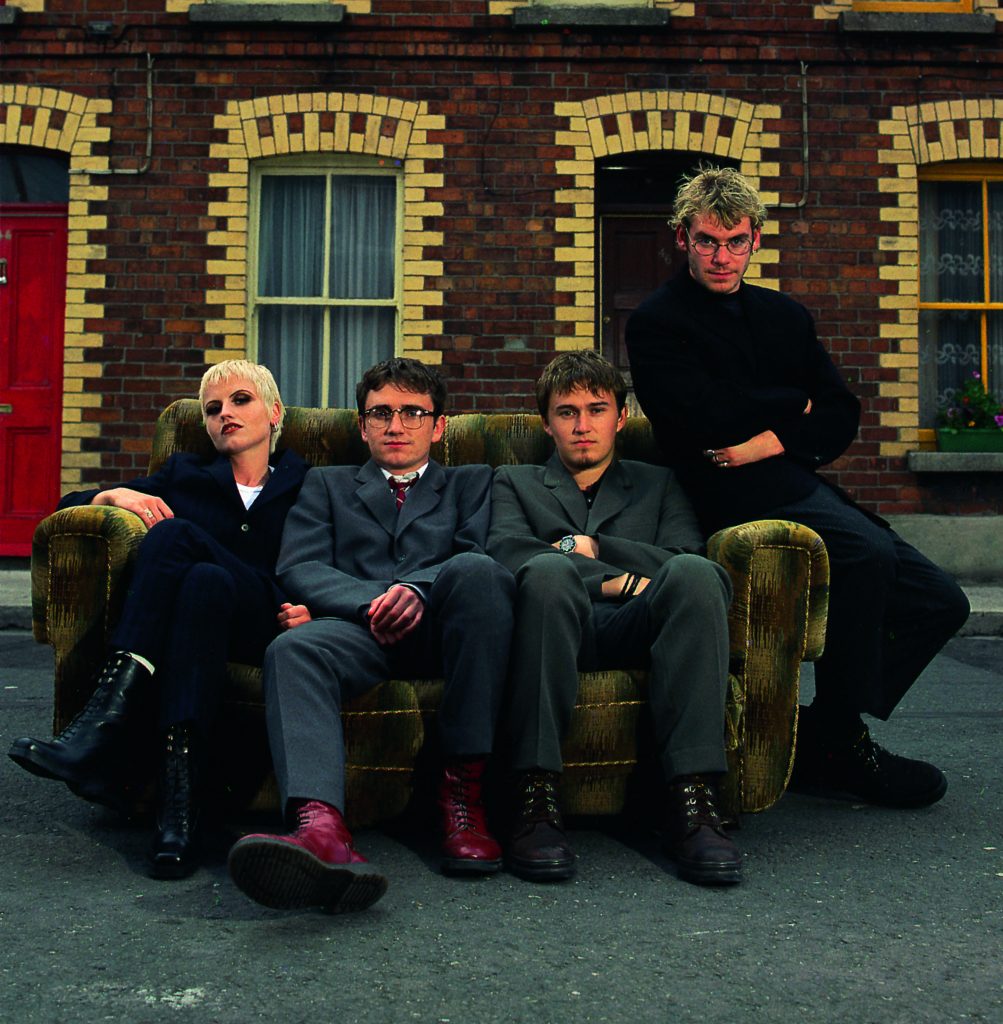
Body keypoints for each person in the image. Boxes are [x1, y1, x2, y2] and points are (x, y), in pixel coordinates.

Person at [625, 165, 970, 810]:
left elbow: (840, 413)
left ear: (755, 240)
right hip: (726, 495)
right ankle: (843, 743)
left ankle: (823, 732)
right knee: (866, 553)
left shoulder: (784, 315)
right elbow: (700, 419)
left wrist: (769, 438)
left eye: (735, 242)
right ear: (682, 239)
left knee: (943, 601)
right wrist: (793, 405)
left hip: (792, 478)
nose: (721, 257)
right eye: (707, 241)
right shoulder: (655, 322)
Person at [226, 357, 515, 914]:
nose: (395, 425)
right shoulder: (327, 484)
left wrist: (419, 590)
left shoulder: (474, 482)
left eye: (413, 413)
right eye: (380, 413)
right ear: (362, 426)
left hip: (446, 633)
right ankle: (320, 828)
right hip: (360, 632)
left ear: (439, 426)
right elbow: (300, 566)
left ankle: (463, 794)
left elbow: (485, 556)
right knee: (293, 646)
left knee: (480, 573)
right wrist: (371, 603)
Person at [8, 360, 310, 878]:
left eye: (240, 400)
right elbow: (66, 506)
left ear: (275, 412)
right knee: (203, 583)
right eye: (213, 409)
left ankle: (104, 722)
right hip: (203, 622)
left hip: (266, 615)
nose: (225, 414)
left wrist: (313, 608)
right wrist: (112, 494)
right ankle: (180, 818)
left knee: (173, 535)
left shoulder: (308, 482)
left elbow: (336, 555)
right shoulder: (186, 476)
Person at [486, 350, 740, 887]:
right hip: (552, 626)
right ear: (547, 423)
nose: (582, 425)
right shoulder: (514, 481)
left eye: (596, 410)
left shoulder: (658, 483)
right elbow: (508, 555)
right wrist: (616, 580)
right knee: (547, 573)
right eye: (567, 412)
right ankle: (534, 798)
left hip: (637, 629)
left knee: (696, 574)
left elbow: (681, 559)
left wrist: (598, 546)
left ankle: (693, 799)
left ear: (620, 418)